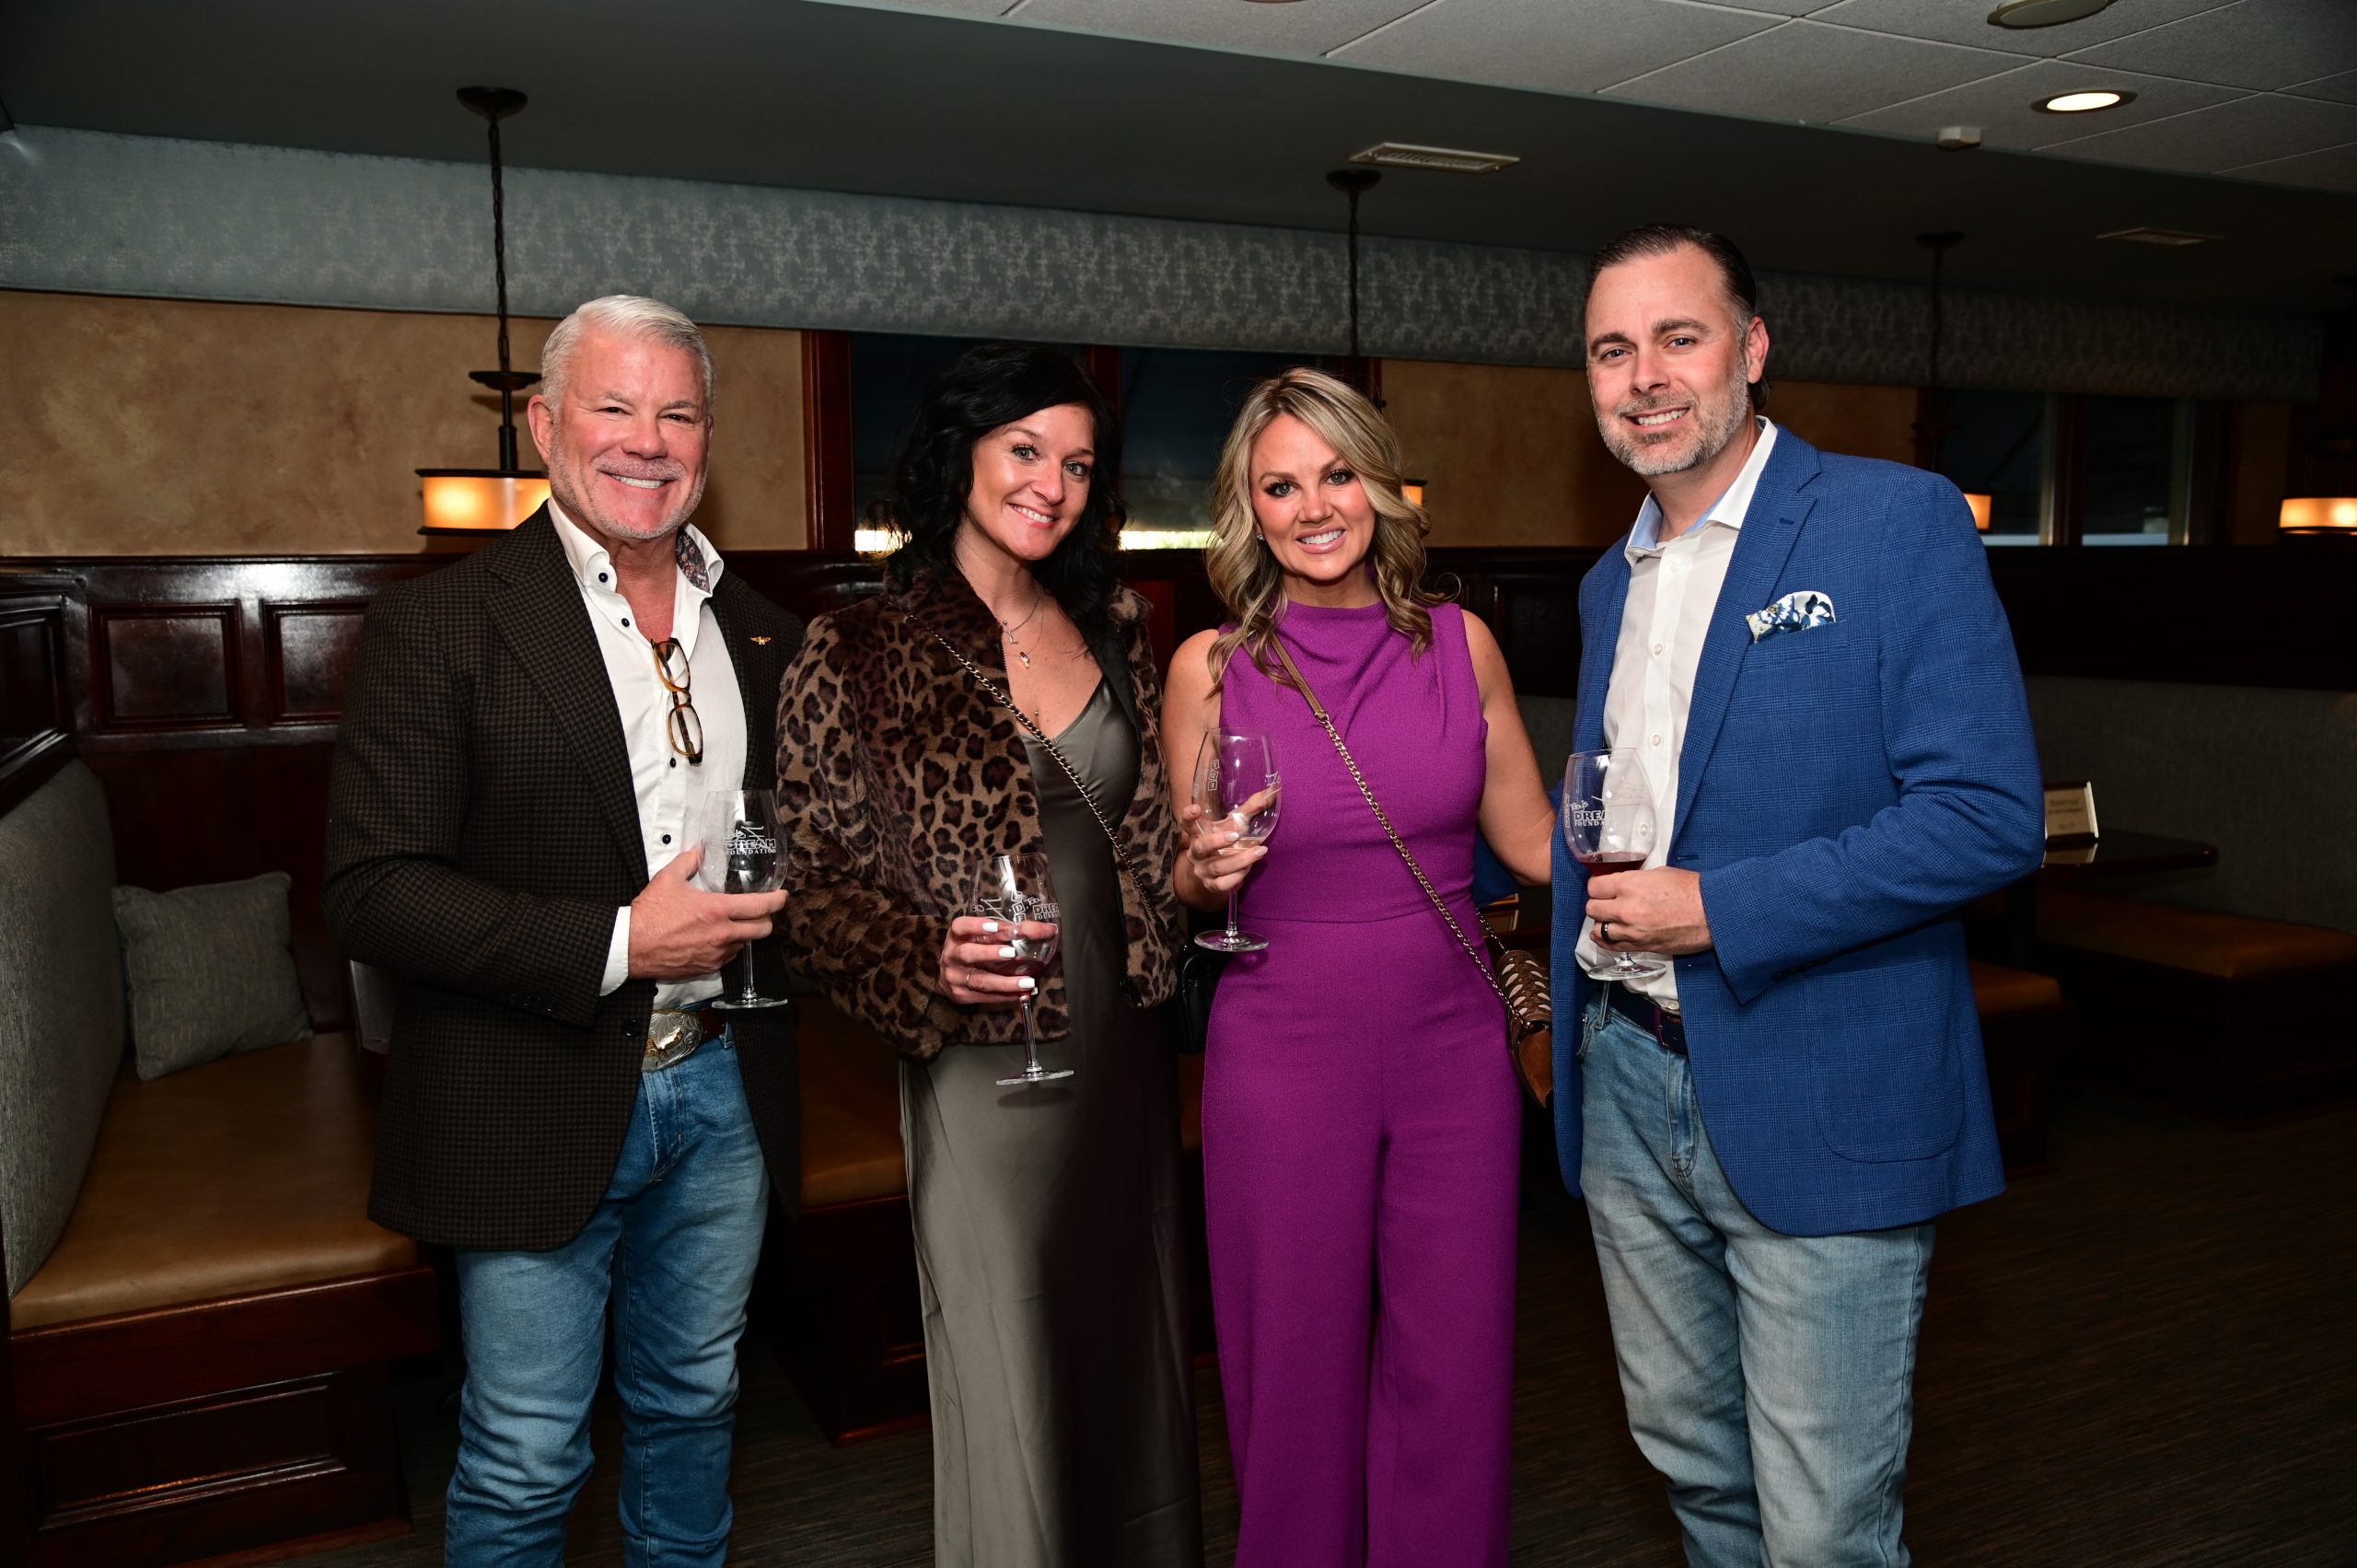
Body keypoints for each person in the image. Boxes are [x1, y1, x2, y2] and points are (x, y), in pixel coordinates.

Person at [1550, 225, 2045, 1567]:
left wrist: (1723, 908)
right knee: (1693, 1465)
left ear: (1753, 348)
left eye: (1679, 337)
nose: (1645, 377)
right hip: (1628, 1079)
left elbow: (1986, 817)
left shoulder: (1894, 522)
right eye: (1612, 350)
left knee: (1824, 1524)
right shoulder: (1608, 583)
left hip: (1825, 1077)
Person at [325, 295, 803, 1566]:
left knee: (696, 1407)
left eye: (678, 413)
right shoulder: (441, 624)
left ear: (707, 440)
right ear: (544, 426)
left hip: (725, 1089)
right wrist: (619, 945)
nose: (648, 440)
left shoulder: (766, 632)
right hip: (523, 1086)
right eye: (614, 407)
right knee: (529, 1453)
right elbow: (371, 888)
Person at [773, 343, 1200, 1568]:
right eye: (1024, 450)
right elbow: (809, 893)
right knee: (1009, 1354)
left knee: (1132, 1341)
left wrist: (1205, 872)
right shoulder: (855, 648)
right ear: (959, 453)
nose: (1050, 485)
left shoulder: (1115, 626)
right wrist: (926, 959)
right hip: (980, 1056)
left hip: (1122, 1042)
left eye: (1079, 464)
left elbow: (1151, 848)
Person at [1163, 367, 1555, 1568]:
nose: (1314, 507)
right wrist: (1205, 870)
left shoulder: (1462, 644)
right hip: (1283, 1048)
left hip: (1456, 1050)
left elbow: (1537, 843)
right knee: (1293, 1367)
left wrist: (1696, 844)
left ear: (1380, 486)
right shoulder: (1211, 666)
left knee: (1457, 1362)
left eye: (1336, 475)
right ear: (1249, 507)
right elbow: (1188, 874)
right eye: (1281, 486)